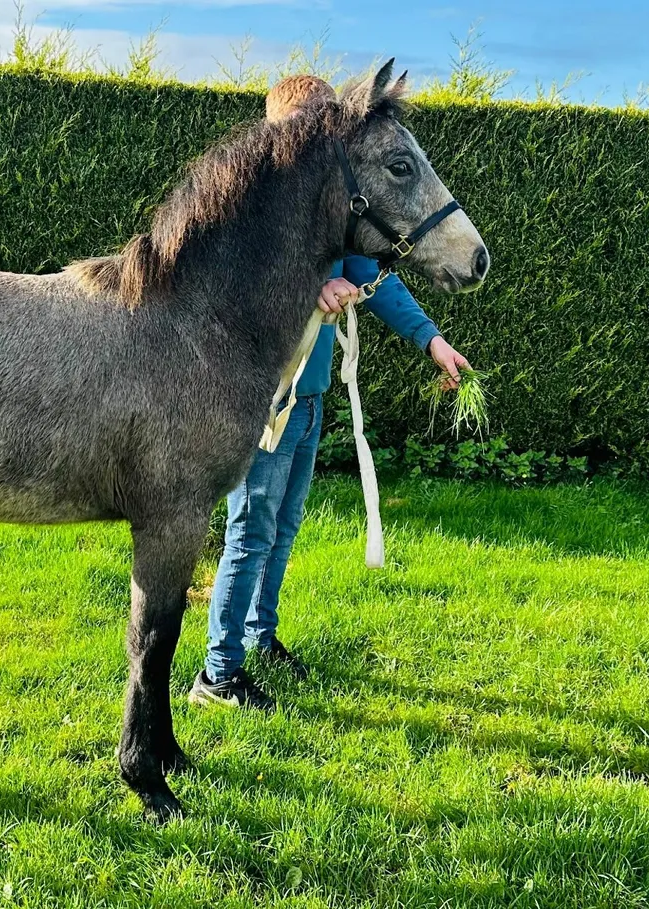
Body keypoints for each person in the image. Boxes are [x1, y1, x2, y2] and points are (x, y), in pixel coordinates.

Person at [189, 74, 472, 709]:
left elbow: (374, 278)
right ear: (277, 132)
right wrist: (308, 294)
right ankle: (217, 672)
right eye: (308, 126)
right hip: (266, 402)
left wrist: (432, 342)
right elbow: (228, 297)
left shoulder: (330, 214)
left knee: (284, 526)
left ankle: (260, 637)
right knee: (251, 530)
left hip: (311, 396)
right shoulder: (247, 209)